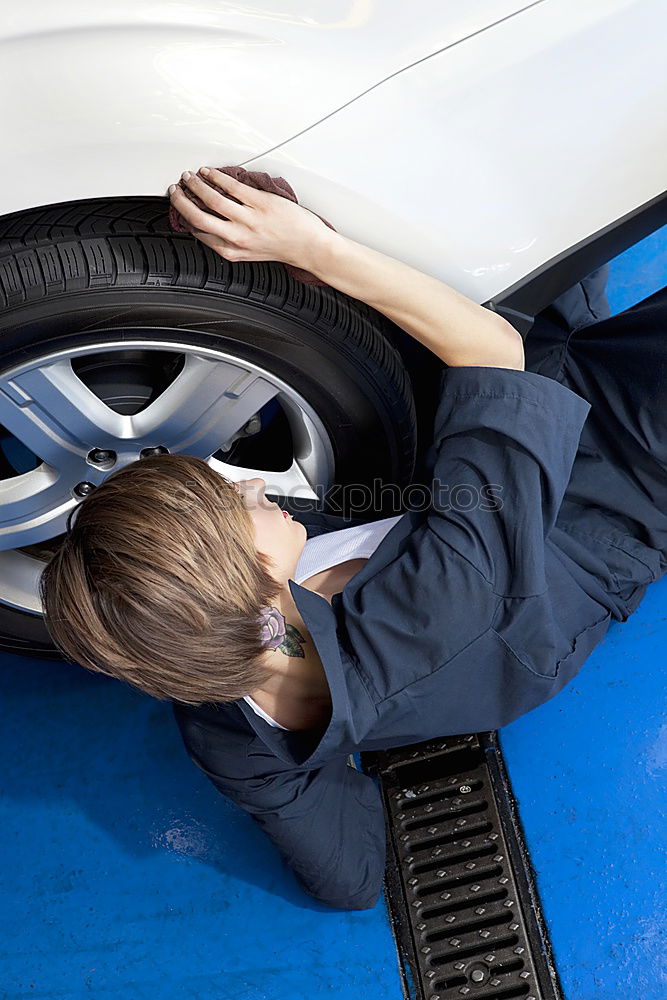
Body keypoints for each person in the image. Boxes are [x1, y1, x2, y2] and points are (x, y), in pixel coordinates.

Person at [39, 168, 667, 911]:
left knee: (521, 214)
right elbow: (490, 349)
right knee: (534, 194)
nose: (243, 482)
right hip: (615, 479)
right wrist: (317, 252)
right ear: (258, 582)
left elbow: (349, 880)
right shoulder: (433, 608)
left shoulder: (227, 727)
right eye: (227, 499)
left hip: (474, 462)